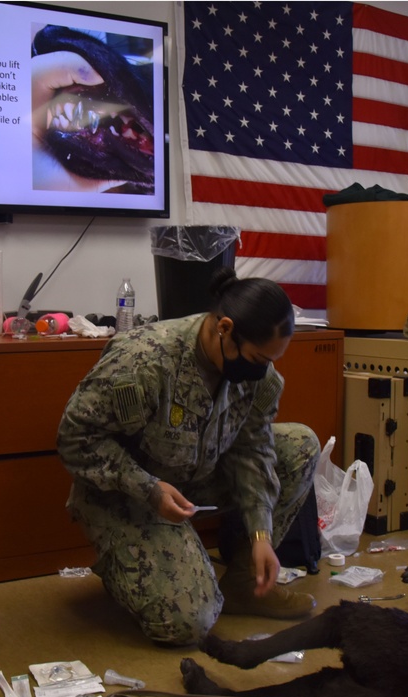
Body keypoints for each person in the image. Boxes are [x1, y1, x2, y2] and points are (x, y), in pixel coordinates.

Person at [57, 268, 321, 646]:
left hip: (195, 476)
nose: (261, 370)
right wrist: (148, 489)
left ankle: (245, 584)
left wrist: (261, 533)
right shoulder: (144, 360)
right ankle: (129, 568)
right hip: (128, 494)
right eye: (257, 357)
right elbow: (74, 437)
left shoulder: (258, 374)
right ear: (225, 328)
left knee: (300, 445)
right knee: (190, 622)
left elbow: (253, 450)